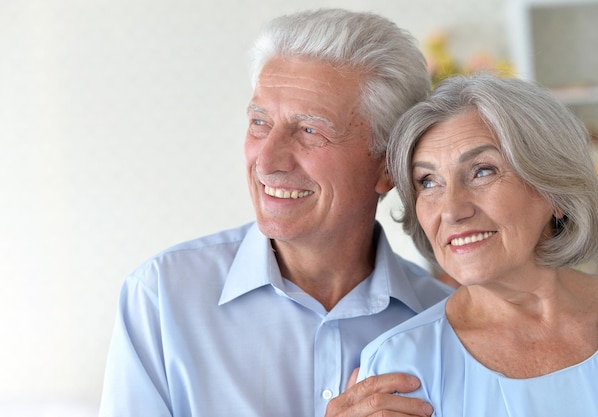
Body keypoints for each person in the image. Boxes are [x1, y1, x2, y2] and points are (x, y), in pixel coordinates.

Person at [98, 8, 452, 417]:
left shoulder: (445, 322)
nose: (267, 161)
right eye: (259, 123)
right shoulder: (161, 298)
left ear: (387, 166)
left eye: (309, 131)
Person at [357, 73, 598, 416]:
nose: (452, 210)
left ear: (555, 191)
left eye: (482, 171)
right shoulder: (399, 366)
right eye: (427, 182)